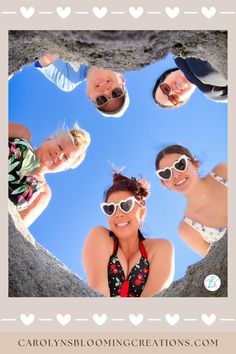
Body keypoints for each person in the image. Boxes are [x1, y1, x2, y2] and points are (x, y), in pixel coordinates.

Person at [83, 172, 174, 297]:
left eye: (126, 205)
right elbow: (97, 293)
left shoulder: (161, 248)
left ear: (141, 213)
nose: (118, 214)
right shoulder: (99, 236)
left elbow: (151, 303)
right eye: (110, 209)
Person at [9, 121, 90, 227]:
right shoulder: (22, 134)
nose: (59, 154)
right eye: (60, 147)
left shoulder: (43, 192)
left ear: (65, 169)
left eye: (66, 157)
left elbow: (19, 228)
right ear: (50, 138)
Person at [155, 145, 227, 257]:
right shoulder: (187, 230)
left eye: (180, 165)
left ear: (195, 164)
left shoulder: (223, 172)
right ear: (164, 183)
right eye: (166, 173)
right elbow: (219, 263)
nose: (176, 175)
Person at [35, 54, 129, 118]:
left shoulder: (68, 80)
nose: (106, 91)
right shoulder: (121, 48)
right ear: (122, 79)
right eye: (116, 93)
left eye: (101, 100)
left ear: (88, 95)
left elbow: (43, 50)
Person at [152, 56, 227, 108]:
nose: (172, 92)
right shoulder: (217, 95)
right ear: (186, 99)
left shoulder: (176, 49)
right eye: (173, 98)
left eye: (165, 89)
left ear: (167, 75)